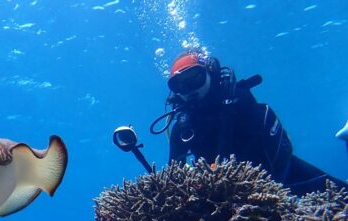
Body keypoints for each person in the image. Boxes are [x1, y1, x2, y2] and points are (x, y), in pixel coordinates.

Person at [114, 51, 346, 195]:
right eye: (179, 85)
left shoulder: (238, 102)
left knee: (340, 197)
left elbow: (276, 151)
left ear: (210, 73)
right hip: (227, 197)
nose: (188, 89)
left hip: (279, 177)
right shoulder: (182, 127)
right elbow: (175, 178)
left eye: (194, 79)